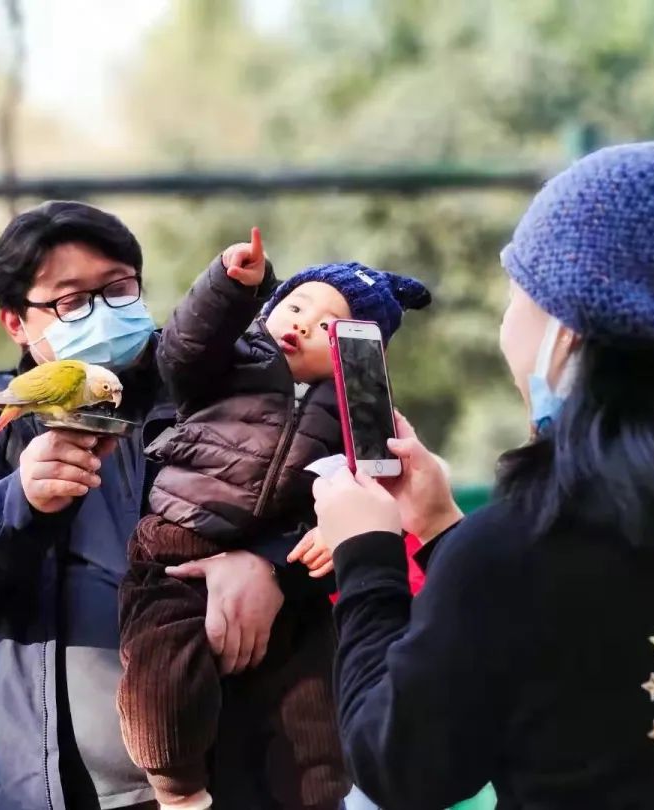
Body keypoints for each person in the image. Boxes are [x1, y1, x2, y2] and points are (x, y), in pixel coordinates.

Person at [311, 130, 654, 809]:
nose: (508, 322)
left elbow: (400, 766)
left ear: (566, 334)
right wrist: (446, 528)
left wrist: (367, 559)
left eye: (516, 296)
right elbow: (554, 642)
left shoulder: (514, 551)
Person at [0, 201, 319, 810]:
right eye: (70, 301)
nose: (101, 312)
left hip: (242, 774)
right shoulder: (7, 428)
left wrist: (273, 564)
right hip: (61, 790)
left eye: (117, 289)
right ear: (17, 323)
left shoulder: (217, 393)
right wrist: (20, 500)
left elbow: (334, 504)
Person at [116, 229, 431, 810]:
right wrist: (231, 287)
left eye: (329, 328)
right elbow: (183, 348)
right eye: (294, 306)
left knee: (312, 709)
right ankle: (179, 790)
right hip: (178, 540)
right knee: (163, 671)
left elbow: (366, 491)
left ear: (361, 349)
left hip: (287, 569)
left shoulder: (355, 409)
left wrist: (324, 539)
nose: (302, 326)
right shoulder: (232, 364)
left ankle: (320, 799)